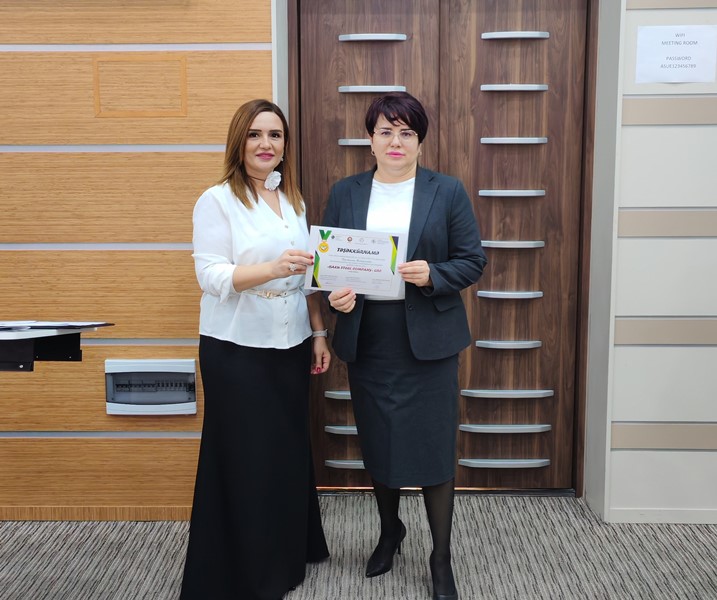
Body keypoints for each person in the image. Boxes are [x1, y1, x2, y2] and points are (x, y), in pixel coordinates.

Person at [322, 92, 487, 600]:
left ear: (420, 141)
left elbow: (472, 260)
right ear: (370, 140)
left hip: (429, 341)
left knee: (434, 450)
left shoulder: (447, 190)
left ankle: (441, 558)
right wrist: (336, 297)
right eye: (386, 132)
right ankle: (390, 532)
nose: (396, 141)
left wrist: (434, 274)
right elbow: (329, 264)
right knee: (381, 443)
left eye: (407, 132)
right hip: (370, 337)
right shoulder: (346, 192)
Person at [181, 99, 331, 600]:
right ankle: (247, 571)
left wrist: (319, 333)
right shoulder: (217, 200)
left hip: (290, 342)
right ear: (239, 142)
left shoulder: (292, 199)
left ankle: (285, 557)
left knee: (283, 452)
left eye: (275, 135)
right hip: (236, 346)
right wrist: (272, 268)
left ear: (285, 145)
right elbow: (210, 275)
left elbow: (308, 277)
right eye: (255, 134)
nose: (266, 144)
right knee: (246, 457)